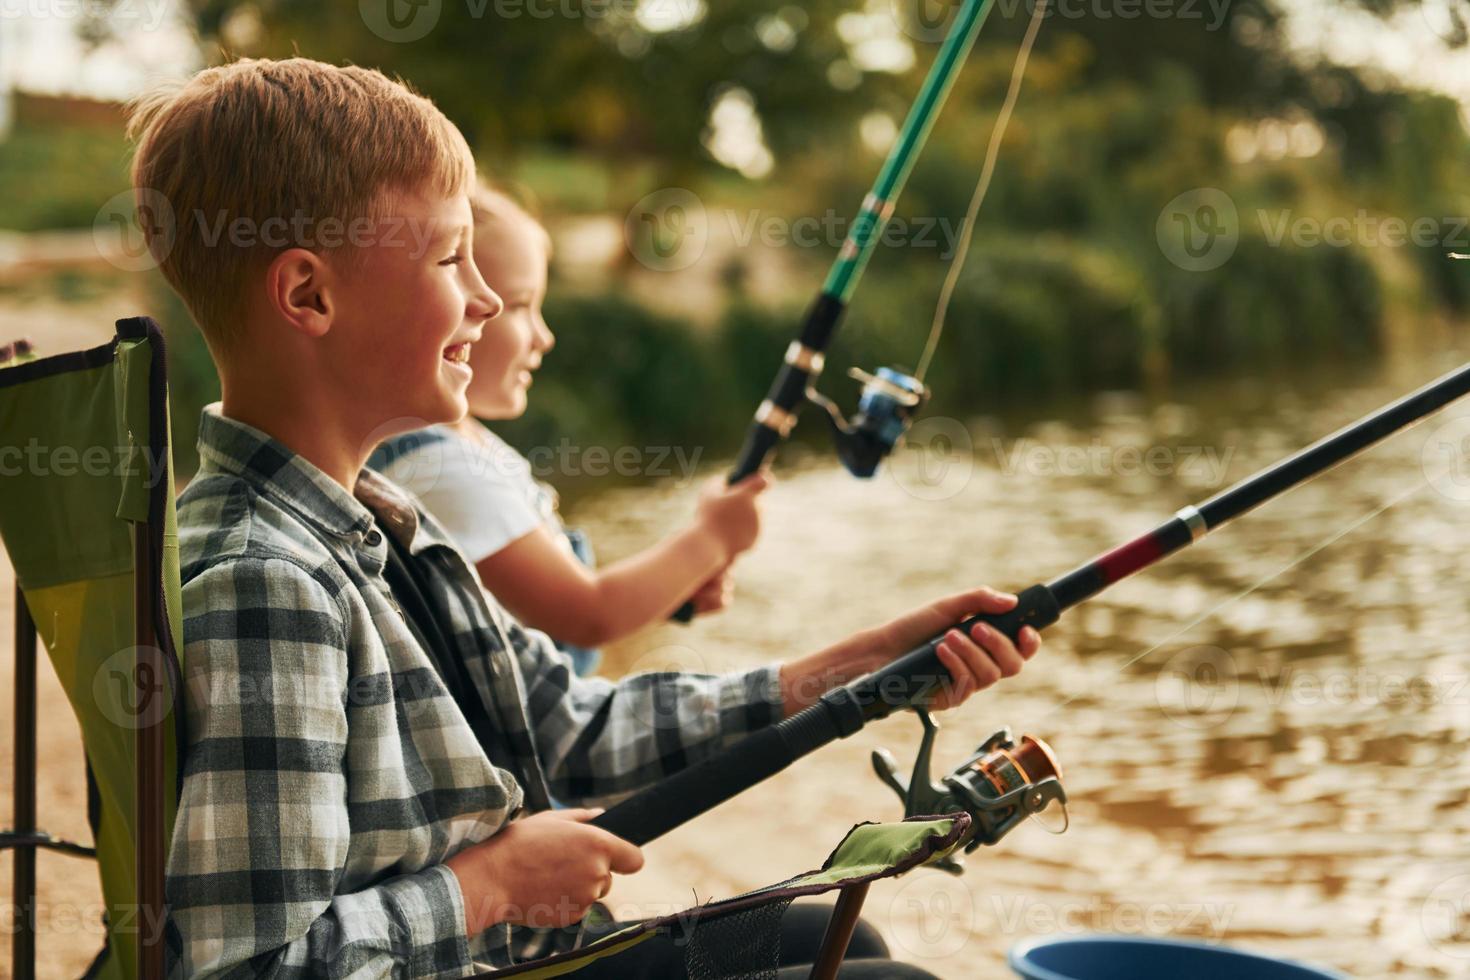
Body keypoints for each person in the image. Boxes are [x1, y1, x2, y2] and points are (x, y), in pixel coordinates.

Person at [129, 56, 1043, 977]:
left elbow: (570, 729)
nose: (485, 298)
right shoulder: (266, 585)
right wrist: (489, 886)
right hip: (481, 953)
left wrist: (860, 669)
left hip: (511, 954)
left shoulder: (383, 519)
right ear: (308, 296)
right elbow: (245, 968)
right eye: (451, 257)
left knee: (837, 947)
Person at [371, 185, 756, 677]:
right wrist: (715, 537)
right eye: (519, 305)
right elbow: (588, 613)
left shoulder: (465, 442)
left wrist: (669, 594)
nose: (544, 336)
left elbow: (539, 600)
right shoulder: (437, 467)